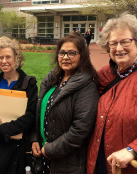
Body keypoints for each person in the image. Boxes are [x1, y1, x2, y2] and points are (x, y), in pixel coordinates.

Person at [87, 14, 137, 174]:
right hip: (100, 163)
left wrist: (134, 150)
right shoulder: (103, 76)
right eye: (113, 43)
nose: (118, 48)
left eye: (125, 41)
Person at [31, 32, 99, 174]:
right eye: (62, 53)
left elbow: (80, 129)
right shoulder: (52, 80)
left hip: (68, 163)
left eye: (72, 53)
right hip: (45, 157)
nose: (66, 57)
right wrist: (35, 139)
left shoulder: (86, 86)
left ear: (82, 56)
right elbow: (40, 113)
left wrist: (50, 149)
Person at [0, 36, 38, 174]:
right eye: (0, 57)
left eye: (8, 57)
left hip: (16, 149)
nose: (4, 61)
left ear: (16, 58)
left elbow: (30, 117)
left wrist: (1, 130)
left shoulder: (28, 85)